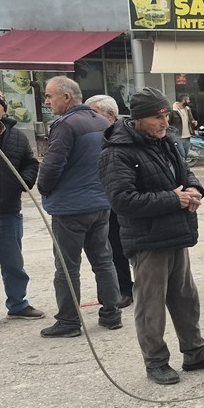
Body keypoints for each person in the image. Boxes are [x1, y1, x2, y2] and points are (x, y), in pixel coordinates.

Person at [100, 87, 204, 385]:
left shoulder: (165, 141)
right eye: (156, 117)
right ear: (137, 119)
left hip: (175, 234)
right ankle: (156, 362)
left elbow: (185, 173)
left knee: (186, 298)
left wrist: (195, 190)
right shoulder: (117, 153)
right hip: (147, 241)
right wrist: (174, 199)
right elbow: (122, 200)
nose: (164, 122)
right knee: (151, 305)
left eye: (165, 116)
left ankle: (195, 352)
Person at [37, 76, 122, 337]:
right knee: (103, 261)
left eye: (50, 96)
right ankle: (111, 314)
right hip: (99, 203)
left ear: (66, 97)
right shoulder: (100, 120)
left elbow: (51, 166)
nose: (47, 102)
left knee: (67, 267)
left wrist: (44, 188)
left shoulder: (65, 125)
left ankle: (69, 321)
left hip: (71, 207)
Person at [0, 88, 44, 320]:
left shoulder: (16, 136)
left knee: (13, 262)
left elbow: (30, 162)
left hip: (7, 211)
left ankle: (17, 304)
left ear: (2, 109)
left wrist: (25, 181)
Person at [86, 95, 135, 308]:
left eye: (93, 113)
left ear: (110, 115)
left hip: (127, 196)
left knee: (131, 244)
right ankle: (123, 288)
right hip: (102, 197)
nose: (90, 118)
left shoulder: (126, 134)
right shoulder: (91, 135)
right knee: (111, 246)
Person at [170, 94, 196, 160]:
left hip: (187, 136)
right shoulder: (173, 110)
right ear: (183, 100)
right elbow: (168, 123)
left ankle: (183, 169)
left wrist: (193, 122)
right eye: (187, 99)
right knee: (182, 155)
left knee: (185, 154)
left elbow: (191, 119)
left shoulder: (187, 109)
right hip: (177, 136)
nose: (189, 101)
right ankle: (182, 169)